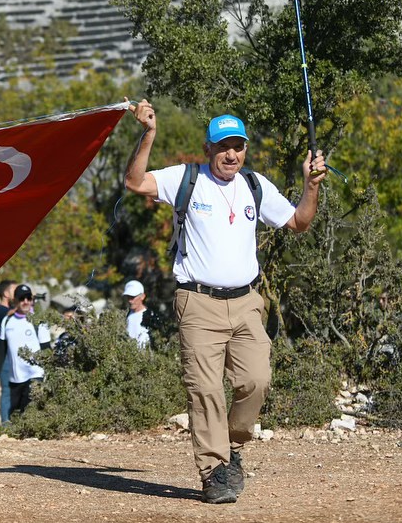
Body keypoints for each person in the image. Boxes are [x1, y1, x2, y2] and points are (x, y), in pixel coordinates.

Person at [124, 101, 326, 504]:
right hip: (197, 303)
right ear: (208, 149)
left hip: (247, 301)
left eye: (238, 146)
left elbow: (299, 222)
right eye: (223, 147)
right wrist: (148, 133)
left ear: (245, 149)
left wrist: (312, 185)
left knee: (256, 381)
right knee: (204, 390)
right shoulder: (187, 178)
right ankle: (214, 471)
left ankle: (232, 445)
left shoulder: (255, 185)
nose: (231, 154)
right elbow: (135, 182)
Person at [0, 284, 51, 417]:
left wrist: (52, 374)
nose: (25, 301)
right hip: (16, 378)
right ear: (15, 300)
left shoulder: (39, 321)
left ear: (32, 300)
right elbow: (1, 351)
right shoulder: (7, 321)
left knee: (31, 411)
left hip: (35, 375)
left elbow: (47, 349)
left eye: (28, 298)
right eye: (22, 298)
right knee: (15, 414)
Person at [0, 280, 17, 424]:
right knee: (7, 389)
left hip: (14, 354)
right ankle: (6, 423)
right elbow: (9, 315)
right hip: (4, 355)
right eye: (15, 290)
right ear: (6, 294)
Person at [123, 280, 151, 349]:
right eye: (128, 297)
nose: (130, 300)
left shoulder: (150, 316)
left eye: (133, 297)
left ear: (142, 296)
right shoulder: (126, 316)